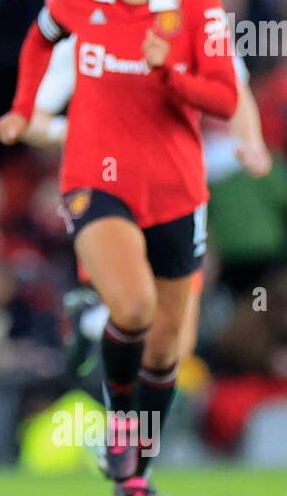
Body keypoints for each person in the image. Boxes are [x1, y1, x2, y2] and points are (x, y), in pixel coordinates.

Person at [0, 0, 238, 496]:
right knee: (132, 308)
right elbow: (38, 39)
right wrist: (22, 108)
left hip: (177, 190)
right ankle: (120, 413)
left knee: (167, 349)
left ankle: (135, 470)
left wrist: (171, 71)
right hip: (95, 180)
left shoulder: (199, 2)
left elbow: (224, 95)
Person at [21, 24, 272, 378]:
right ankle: (99, 338)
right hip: (114, 182)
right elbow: (30, 118)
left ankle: (93, 322)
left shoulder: (203, 28)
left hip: (181, 191)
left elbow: (236, 93)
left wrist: (249, 143)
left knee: (177, 343)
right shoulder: (89, 35)